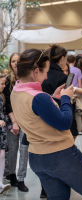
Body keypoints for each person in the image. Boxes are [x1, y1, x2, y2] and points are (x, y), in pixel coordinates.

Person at [10, 48, 82, 200]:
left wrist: (52, 99)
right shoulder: (39, 97)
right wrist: (66, 98)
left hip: (36, 157)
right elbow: (64, 123)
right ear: (36, 72)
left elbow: (35, 114)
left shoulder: (16, 92)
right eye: (45, 72)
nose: (47, 76)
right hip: (60, 155)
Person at [40, 44, 82, 198]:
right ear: (62, 59)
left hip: (43, 130)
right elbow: (68, 97)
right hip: (62, 123)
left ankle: (45, 190)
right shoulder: (62, 78)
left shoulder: (42, 78)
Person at [3, 52, 29, 192]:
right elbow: (7, 104)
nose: (15, 63)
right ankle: (11, 175)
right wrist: (14, 122)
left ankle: (21, 179)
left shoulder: (27, 79)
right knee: (12, 149)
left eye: (18, 61)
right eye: (13, 61)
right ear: (10, 63)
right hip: (11, 118)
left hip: (26, 119)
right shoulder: (7, 80)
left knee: (24, 150)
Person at [0, 74, 11, 194]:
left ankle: (0, 184)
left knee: (2, 154)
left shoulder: (2, 96)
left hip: (1, 130)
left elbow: (3, 113)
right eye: (2, 83)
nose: (4, 86)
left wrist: (9, 125)